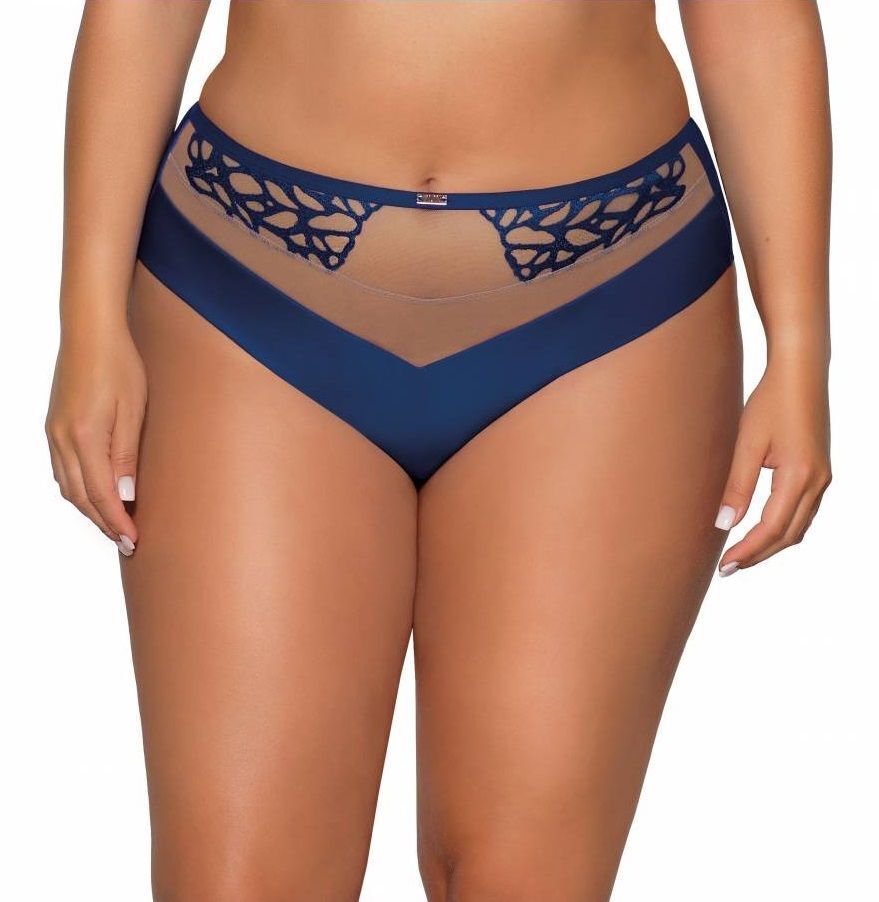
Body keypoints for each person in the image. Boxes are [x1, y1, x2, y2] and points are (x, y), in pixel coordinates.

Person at [45, 2, 832, 899]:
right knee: (237, 882)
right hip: (247, 284)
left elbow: (753, 19)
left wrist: (799, 346)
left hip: (611, 299)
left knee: (529, 880)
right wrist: (88, 316)